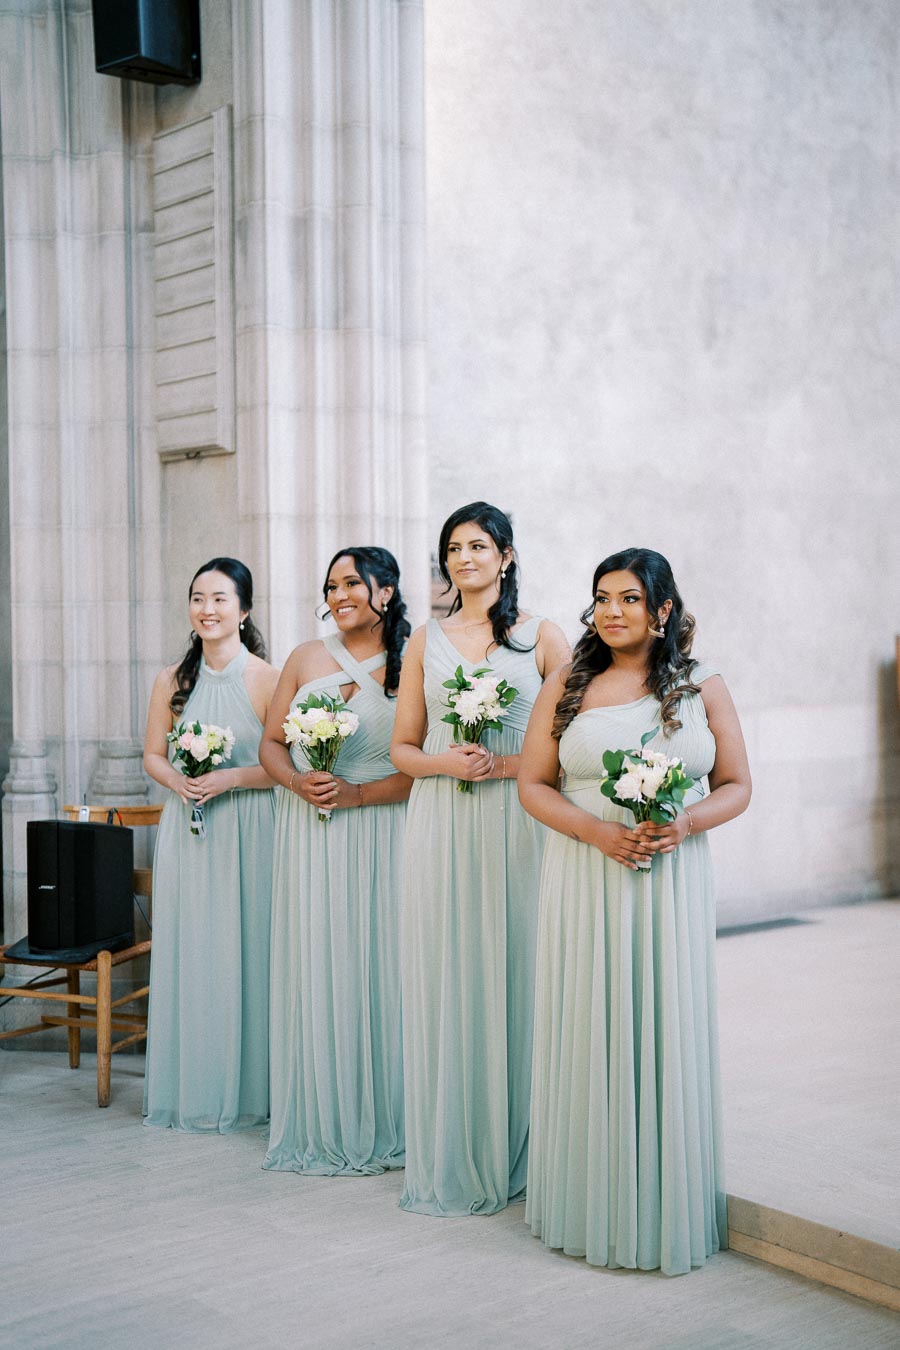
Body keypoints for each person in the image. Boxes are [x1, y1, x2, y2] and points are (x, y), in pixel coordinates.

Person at [518, 547, 751, 1275]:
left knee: (663, 1024)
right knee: (591, 1021)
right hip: (587, 874)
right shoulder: (568, 681)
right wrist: (598, 833)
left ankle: (663, 1197)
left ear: (662, 610)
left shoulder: (701, 684)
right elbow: (533, 785)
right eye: (601, 598)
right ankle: (589, 1198)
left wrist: (682, 824)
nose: (611, 611)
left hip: (670, 880)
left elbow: (738, 784)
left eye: (627, 598)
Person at [391, 502, 571, 1215]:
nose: (465, 559)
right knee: (453, 971)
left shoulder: (543, 639)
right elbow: (405, 747)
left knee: (523, 967)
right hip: (443, 820)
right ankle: (463, 1138)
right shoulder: (424, 640)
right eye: (454, 548)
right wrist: (444, 764)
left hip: (521, 821)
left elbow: (573, 735)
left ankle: (533, 1141)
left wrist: (505, 766)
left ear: (507, 555)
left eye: (478, 546)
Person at [261, 547, 412, 1175]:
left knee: (383, 966)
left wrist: (356, 794)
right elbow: (271, 744)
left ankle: (393, 1115)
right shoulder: (303, 657)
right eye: (331, 584)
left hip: (383, 829)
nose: (339, 593)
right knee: (319, 962)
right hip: (311, 831)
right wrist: (299, 784)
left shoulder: (414, 662)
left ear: (386, 590)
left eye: (352, 582)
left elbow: (419, 769)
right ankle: (324, 1114)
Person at [143, 557, 279, 1131]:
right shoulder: (171, 679)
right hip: (190, 831)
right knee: (195, 949)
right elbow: (152, 753)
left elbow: (282, 768)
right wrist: (179, 780)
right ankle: (194, 1086)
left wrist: (226, 778)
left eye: (221, 599)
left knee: (250, 949)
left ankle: (254, 1090)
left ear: (244, 610)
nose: (207, 609)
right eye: (198, 598)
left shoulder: (268, 679)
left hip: (251, 828)